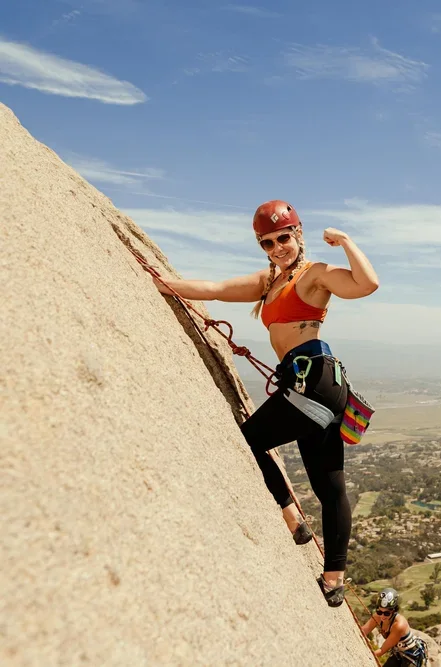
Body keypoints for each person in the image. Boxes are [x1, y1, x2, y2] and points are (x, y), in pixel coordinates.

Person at [152, 199, 379, 607]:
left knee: (248, 441)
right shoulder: (267, 281)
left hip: (314, 379)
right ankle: (334, 580)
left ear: (299, 235)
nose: (278, 247)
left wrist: (345, 240)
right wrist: (160, 283)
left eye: (284, 238)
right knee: (330, 488)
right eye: (268, 242)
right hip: (311, 383)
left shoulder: (315, 275)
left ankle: (291, 516)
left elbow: (366, 285)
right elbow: (216, 291)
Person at [360, 588, 428, 666]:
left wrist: (363, 656)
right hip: (398, 652)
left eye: (386, 613)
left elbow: (382, 650)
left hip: (411, 655)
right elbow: (363, 631)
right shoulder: (378, 616)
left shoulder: (399, 625)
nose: (382, 616)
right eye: (379, 611)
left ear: (394, 611)